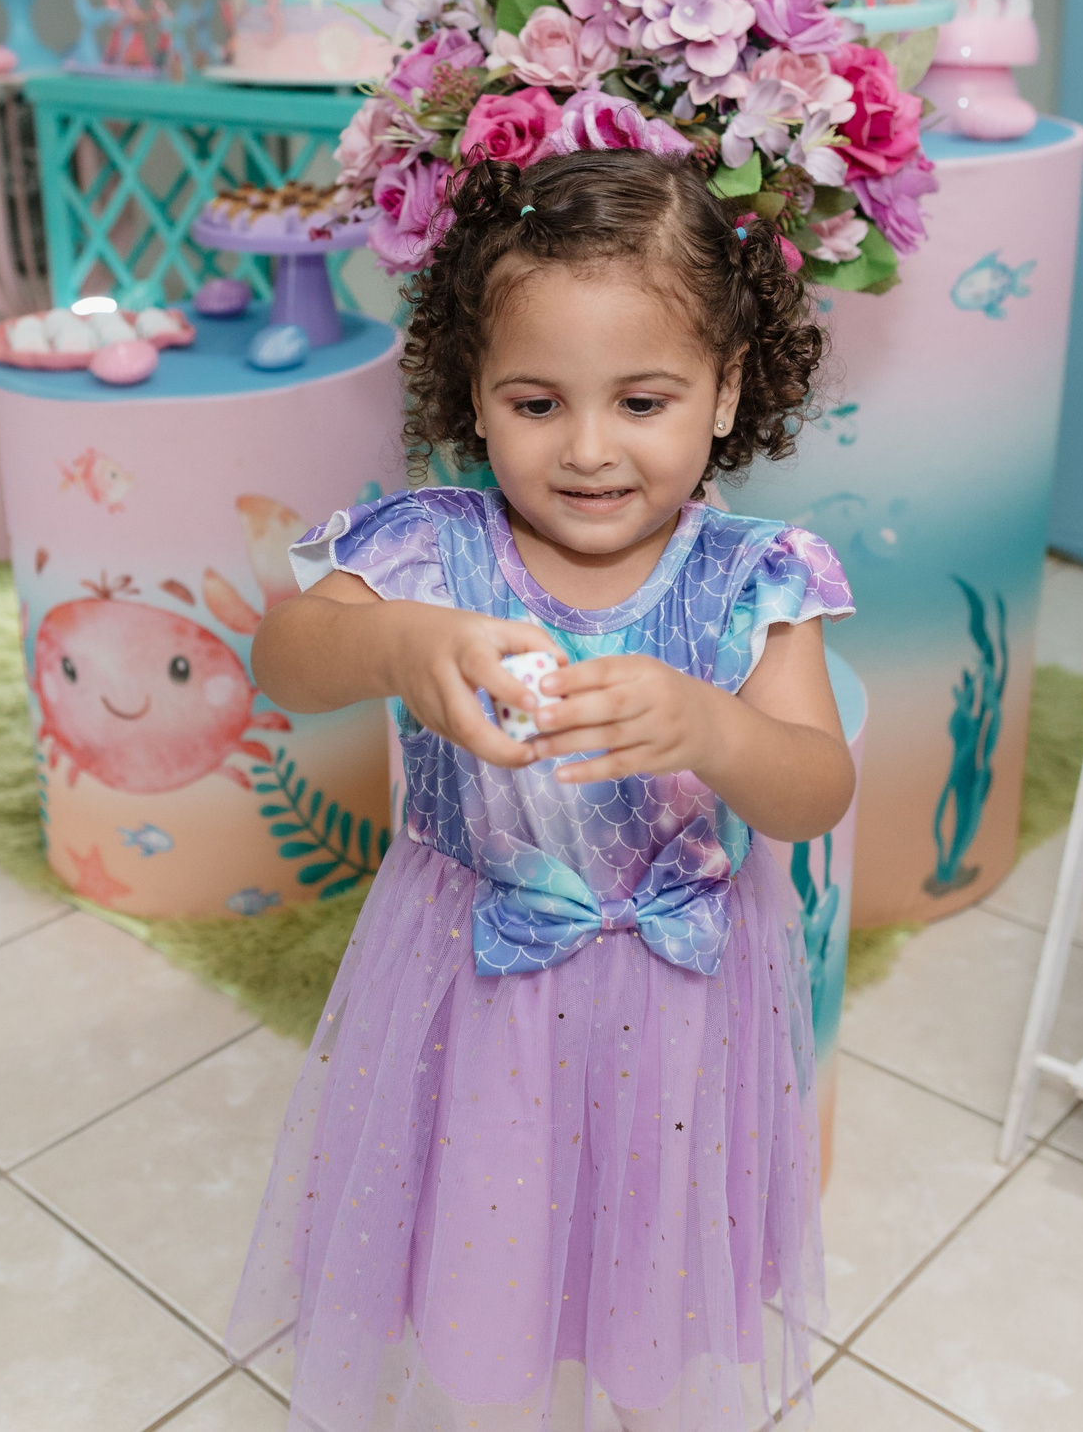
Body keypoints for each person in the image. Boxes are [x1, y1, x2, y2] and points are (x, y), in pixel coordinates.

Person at [226, 148, 857, 1428]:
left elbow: (813, 791)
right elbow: (282, 659)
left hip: (683, 995)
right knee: (486, 1247)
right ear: (475, 389)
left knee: (652, 1258)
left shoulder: (756, 578)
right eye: (534, 402)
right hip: (474, 981)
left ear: (727, 390)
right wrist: (395, 645)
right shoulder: (429, 544)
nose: (587, 450)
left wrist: (715, 726)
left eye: (642, 400)